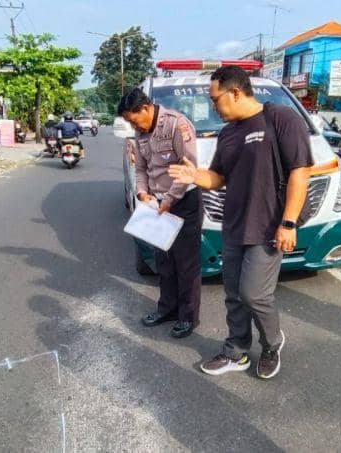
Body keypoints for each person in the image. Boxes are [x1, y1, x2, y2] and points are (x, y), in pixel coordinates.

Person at [169, 65, 312, 379]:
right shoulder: (228, 133)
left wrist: (288, 223)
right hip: (234, 224)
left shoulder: (281, 119)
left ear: (234, 92)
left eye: (214, 99)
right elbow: (218, 177)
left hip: (269, 225)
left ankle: (272, 344)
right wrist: (196, 176)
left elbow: (300, 172)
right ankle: (237, 351)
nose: (213, 106)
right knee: (233, 293)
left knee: (254, 293)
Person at [118, 88, 201, 338]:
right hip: (156, 204)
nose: (134, 125)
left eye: (133, 119)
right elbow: (141, 168)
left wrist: (170, 200)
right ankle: (167, 308)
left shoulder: (177, 125)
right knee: (163, 260)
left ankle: (188, 317)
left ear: (144, 108)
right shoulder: (140, 132)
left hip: (183, 201)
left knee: (185, 263)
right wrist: (143, 194)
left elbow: (190, 168)